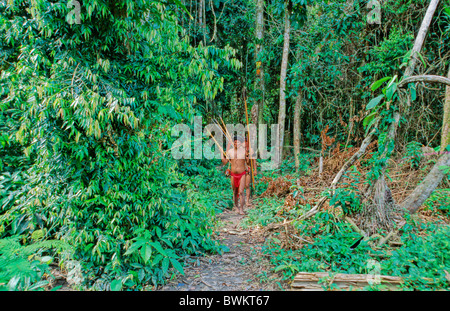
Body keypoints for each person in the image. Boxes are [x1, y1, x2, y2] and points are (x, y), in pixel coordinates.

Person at [221, 135, 248, 215]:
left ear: (241, 143)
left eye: (238, 142)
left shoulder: (244, 151)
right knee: (235, 191)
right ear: (233, 143)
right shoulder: (230, 152)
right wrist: (222, 153)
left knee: (241, 192)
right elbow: (225, 162)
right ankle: (236, 207)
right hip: (233, 175)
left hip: (242, 174)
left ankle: (241, 209)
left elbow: (248, 162)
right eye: (235, 142)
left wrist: (248, 157)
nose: (236, 143)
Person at [244, 134, 257, 208]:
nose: (245, 143)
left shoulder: (251, 150)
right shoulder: (239, 150)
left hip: (247, 170)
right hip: (240, 170)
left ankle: (247, 201)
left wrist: (255, 170)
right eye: (245, 142)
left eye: (246, 142)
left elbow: (254, 161)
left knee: (247, 185)